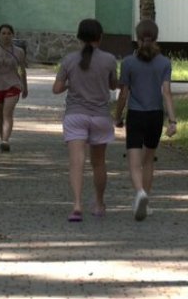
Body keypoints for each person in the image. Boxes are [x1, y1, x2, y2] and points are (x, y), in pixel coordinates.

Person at [52, 19, 118, 222]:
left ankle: (77, 205)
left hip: (75, 115)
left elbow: (56, 89)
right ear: (100, 36)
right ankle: (99, 203)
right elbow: (113, 85)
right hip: (100, 116)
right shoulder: (109, 60)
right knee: (98, 163)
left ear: (79, 37)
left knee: (76, 162)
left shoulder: (69, 60)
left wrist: (70, 84)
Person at [114, 19, 177, 222]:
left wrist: (117, 116)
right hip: (155, 115)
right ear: (156, 38)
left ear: (137, 37)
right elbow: (166, 92)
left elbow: (124, 93)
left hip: (136, 114)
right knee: (149, 159)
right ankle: (146, 201)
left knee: (134, 161)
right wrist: (172, 121)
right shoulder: (165, 63)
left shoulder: (128, 62)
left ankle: (139, 192)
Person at [0, 24, 28, 152]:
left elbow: (21, 70)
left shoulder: (19, 51)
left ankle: (6, 140)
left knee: (7, 113)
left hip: (13, 84)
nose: (6, 36)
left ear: (12, 35)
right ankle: (2, 137)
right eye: (3, 33)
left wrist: (24, 86)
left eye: (9, 33)